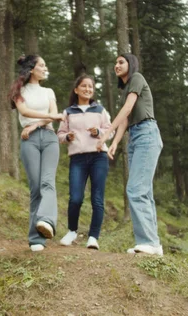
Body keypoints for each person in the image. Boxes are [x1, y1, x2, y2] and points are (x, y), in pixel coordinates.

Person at [96, 53, 164, 256]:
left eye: (121, 62)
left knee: (135, 189)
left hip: (147, 134)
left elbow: (126, 110)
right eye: (115, 62)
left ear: (130, 64)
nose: (116, 65)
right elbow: (125, 120)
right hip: (135, 137)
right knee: (144, 192)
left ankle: (148, 242)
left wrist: (107, 133)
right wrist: (115, 142)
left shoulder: (137, 78)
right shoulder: (126, 89)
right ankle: (154, 244)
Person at [10, 55, 64, 252]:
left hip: (49, 138)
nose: (45, 68)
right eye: (42, 65)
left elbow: (54, 115)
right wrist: (48, 118)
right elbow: (24, 111)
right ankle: (35, 239)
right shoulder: (18, 91)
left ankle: (46, 221)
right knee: (35, 188)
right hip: (29, 142)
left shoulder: (49, 91)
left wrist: (36, 126)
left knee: (47, 182)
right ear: (32, 69)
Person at [56, 74, 113, 250]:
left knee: (97, 199)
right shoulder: (68, 112)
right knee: (75, 198)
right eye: (84, 86)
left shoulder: (100, 110)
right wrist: (67, 136)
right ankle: (72, 231)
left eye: (90, 87)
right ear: (76, 89)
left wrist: (98, 132)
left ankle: (93, 237)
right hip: (78, 158)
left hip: (98, 157)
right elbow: (60, 135)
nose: (88, 89)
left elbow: (110, 131)